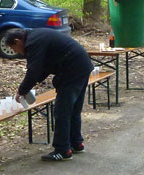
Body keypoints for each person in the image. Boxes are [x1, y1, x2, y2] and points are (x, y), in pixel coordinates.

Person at [6, 27, 93, 161]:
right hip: (82, 65)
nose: (16, 52)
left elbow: (33, 71)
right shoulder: (36, 36)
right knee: (73, 109)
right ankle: (76, 143)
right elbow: (43, 66)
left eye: (14, 48)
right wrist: (30, 86)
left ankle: (62, 150)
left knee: (62, 111)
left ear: (17, 41)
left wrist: (21, 91)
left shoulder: (33, 42)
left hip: (72, 69)